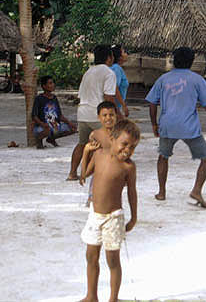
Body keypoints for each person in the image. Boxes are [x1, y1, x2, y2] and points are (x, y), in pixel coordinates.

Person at [146, 46, 206, 209]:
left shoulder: (163, 79)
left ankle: (161, 192)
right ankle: (197, 190)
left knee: (163, 156)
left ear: (174, 60)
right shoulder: (197, 79)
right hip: (189, 127)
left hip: (167, 124)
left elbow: (152, 103)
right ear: (191, 62)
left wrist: (154, 124)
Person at [78, 119, 139, 302]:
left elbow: (132, 193)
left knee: (112, 260)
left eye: (132, 147)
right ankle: (91, 296)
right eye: (124, 144)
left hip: (113, 218)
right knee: (91, 256)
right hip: (94, 216)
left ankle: (113, 299)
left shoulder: (128, 167)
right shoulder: (99, 155)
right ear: (112, 139)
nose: (127, 150)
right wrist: (86, 152)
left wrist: (134, 217)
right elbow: (84, 175)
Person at [67, 45, 118, 180]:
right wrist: (115, 116)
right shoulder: (109, 73)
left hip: (83, 113)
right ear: (109, 57)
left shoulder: (88, 72)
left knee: (82, 143)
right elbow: (109, 98)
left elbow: (80, 95)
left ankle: (72, 173)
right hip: (97, 114)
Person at [80, 101, 118, 206]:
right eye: (104, 115)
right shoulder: (95, 136)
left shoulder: (121, 135)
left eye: (111, 115)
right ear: (99, 117)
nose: (108, 118)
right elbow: (88, 170)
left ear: (116, 116)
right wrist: (86, 151)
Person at [31, 75, 76, 148]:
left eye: (53, 83)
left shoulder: (54, 98)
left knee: (73, 129)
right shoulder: (39, 99)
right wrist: (42, 124)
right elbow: (34, 116)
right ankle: (39, 141)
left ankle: (51, 139)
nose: (53, 85)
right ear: (44, 86)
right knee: (46, 130)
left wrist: (69, 123)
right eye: (50, 83)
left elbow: (60, 115)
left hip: (54, 125)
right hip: (42, 126)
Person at [109, 45, 130, 118]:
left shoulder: (116, 68)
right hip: (114, 108)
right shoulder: (116, 69)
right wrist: (124, 106)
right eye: (124, 52)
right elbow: (114, 88)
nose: (126, 54)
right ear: (119, 57)